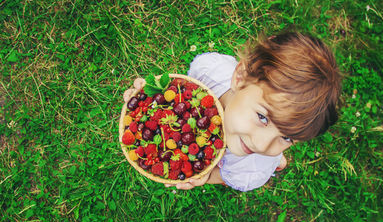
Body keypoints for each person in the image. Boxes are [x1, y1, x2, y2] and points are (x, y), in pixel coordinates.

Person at [123, 32, 341, 191]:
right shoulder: (209, 72)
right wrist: (146, 99)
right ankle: (280, 157)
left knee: (269, 158)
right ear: (240, 78)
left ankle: (277, 162)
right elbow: (179, 97)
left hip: (249, 164)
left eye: (287, 137)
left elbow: (227, 176)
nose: (262, 144)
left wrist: (209, 177)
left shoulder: (250, 167)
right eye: (263, 118)